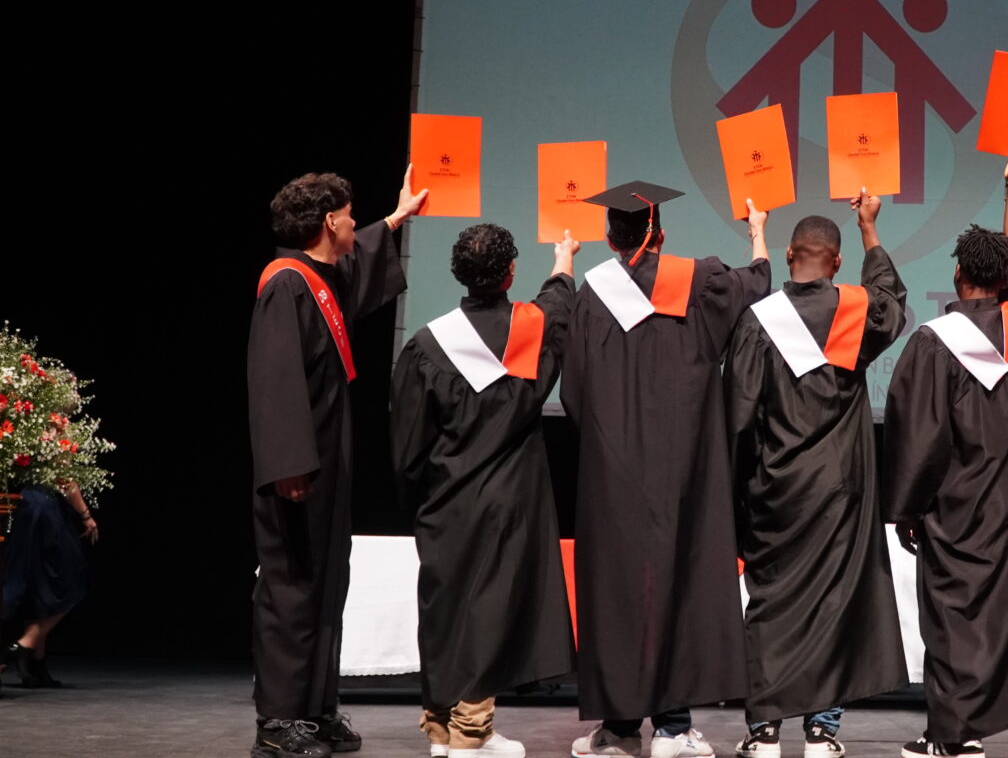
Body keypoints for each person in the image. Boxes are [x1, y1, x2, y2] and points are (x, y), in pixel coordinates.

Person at [881, 147, 1008, 758]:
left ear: (960, 273)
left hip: (958, 508)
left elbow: (917, 435)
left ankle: (957, 734)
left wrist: (909, 508)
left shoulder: (931, 344)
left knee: (957, 618)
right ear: (1001, 281)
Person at [562, 181, 771, 758]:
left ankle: (620, 725)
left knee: (621, 584)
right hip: (685, 467)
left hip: (613, 470)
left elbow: (574, 390)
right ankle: (673, 729)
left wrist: (609, 443)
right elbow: (756, 285)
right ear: (660, 234)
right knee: (678, 576)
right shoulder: (700, 280)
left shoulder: (590, 295)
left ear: (609, 237)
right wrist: (757, 234)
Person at [248, 167, 426, 758]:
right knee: (292, 587)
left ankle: (316, 708)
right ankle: (278, 720)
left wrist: (398, 219)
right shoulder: (285, 283)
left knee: (327, 586)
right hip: (296, 468)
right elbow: (274, 385)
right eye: (352, 214)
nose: (356, 222)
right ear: (330, 221)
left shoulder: (317, 276)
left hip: (326, 457)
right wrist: (289, 464)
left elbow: (350, 273)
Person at [723, 189, 907, 758]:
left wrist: (737, 496)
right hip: (839, 489)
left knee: (770, 602)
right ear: (835, 263)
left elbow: (738, 417)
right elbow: (892, 303)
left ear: (787, 257)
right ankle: (823, 730)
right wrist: (870, 228)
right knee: (834, 603)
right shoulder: (853, 308)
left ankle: (764, 731)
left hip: (775, 488)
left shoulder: (756, 323)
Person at [391, 224, 582, 758]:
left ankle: (443, 728)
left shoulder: (426, 346)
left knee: (447, 606)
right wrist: (564, 259)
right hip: (508, 498)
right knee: (488, 607)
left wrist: (416, 502)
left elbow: (407, 443)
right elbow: (558, 306)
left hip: (445, 499)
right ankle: (469, 732)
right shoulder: (531, 329)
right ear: (510, 272)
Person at [2, 479, 98, 689]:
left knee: (39, 582)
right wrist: (85, 515)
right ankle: (23, 645)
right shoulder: (58, 444)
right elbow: (65, 479)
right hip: (46, 509)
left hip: (27, 507)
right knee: (75, 579)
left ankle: (36, 663)